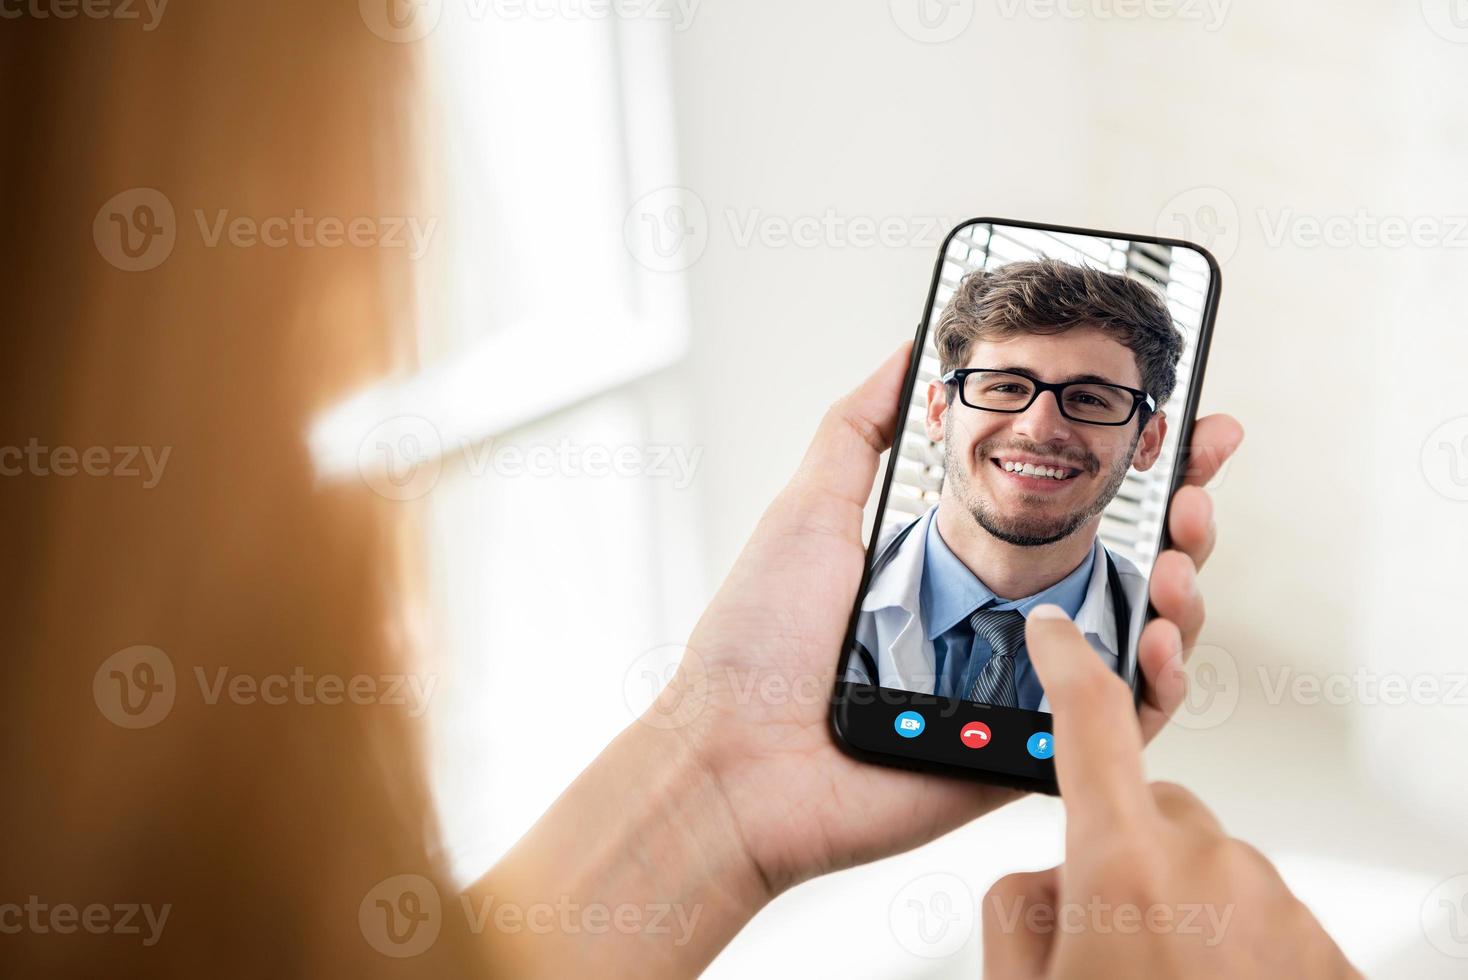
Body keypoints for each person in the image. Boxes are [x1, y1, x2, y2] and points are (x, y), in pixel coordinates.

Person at [848, 260, 1179, 710]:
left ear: (1148, 441)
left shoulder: (1161, 645)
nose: (1039, 429)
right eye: (1005, 387)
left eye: (1089, 398)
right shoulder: (824, 587)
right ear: (940, 413)